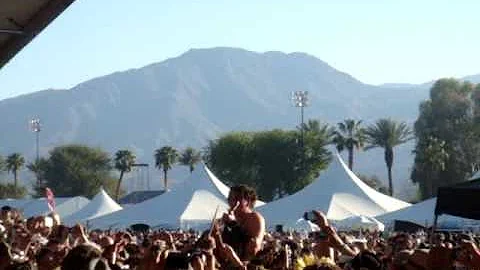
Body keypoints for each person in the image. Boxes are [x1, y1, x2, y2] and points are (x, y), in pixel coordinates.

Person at [213, 184, 265, 269]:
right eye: (230, 199)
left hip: (244, 261)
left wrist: (233, 223)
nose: (232, 202)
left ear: (247, 201)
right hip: (225, 258)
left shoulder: (254, 218)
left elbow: (254, 246)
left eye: (236, 199)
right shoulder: (227, 217)